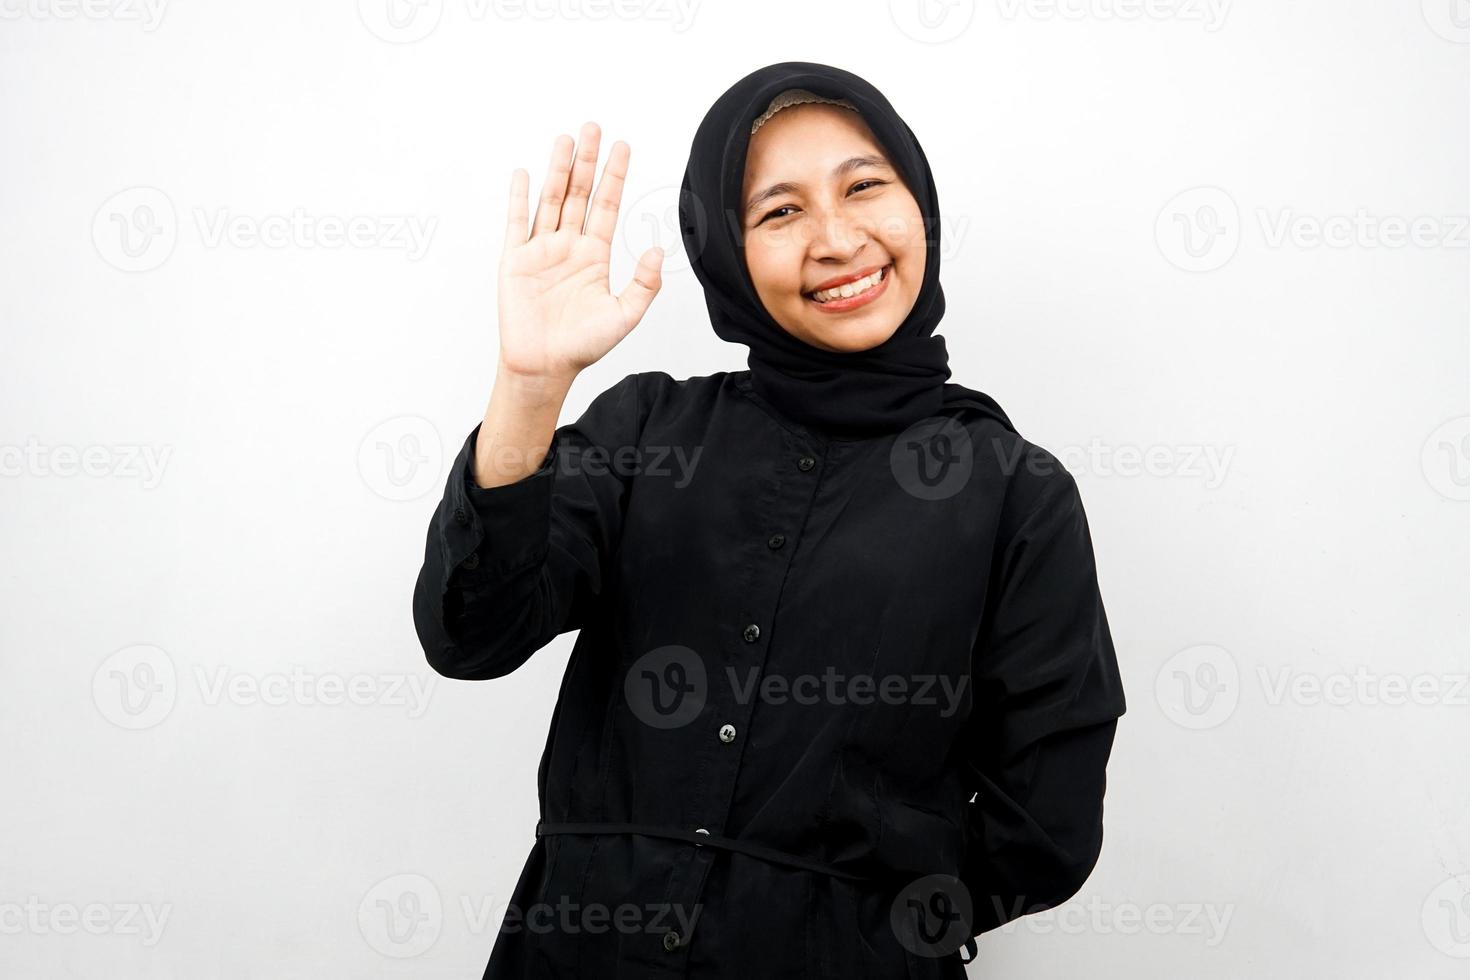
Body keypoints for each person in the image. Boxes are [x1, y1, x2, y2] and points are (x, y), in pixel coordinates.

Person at [412, 60, 1127, 979]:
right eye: (780, 211)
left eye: (865, 186)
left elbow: (1049, 824)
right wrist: (530, 388)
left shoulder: (1013, 495)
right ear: (728, 254)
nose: (837, 239)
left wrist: (856, 919)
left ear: (921, 206)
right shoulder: (648, 432)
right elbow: (469, 633)